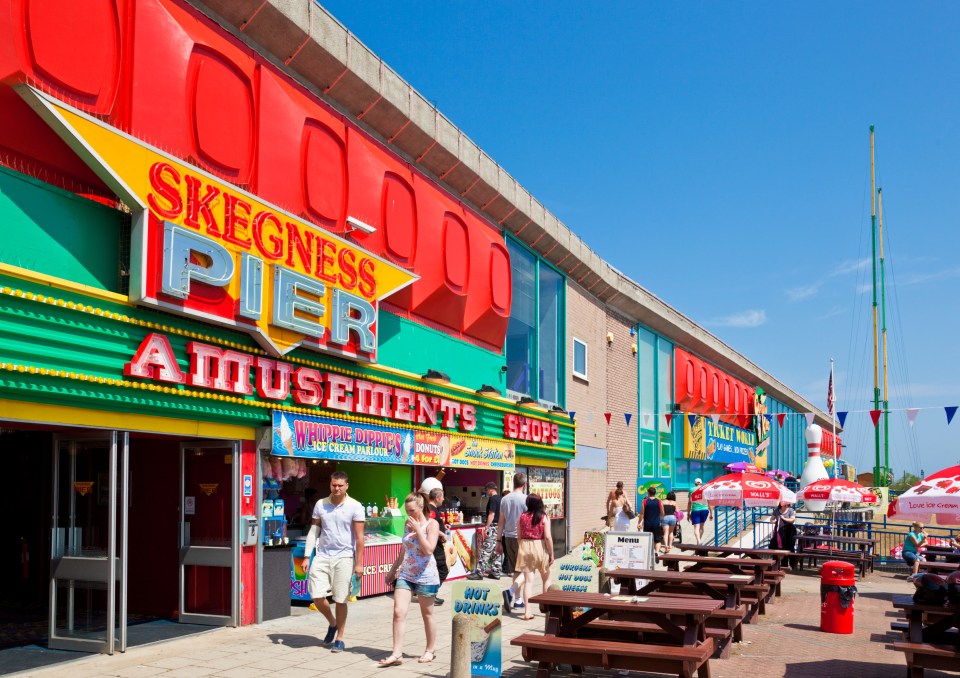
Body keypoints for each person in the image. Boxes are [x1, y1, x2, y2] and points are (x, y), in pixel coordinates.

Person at [301, 471, 364, 653]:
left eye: (340, 486)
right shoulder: (321, 504)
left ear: (346, 486)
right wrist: (307, 556)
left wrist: (359, 564)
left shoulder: (355, 506)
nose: (336, 488)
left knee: (341, 598)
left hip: (344, 556)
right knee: (316, 594)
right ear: (330, 484)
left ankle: (340, 638)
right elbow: (314, 531)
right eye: (333, 485)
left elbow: (360, 538)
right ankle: (332, 622)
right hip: (322, 555)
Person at [380, 492, 441, 666]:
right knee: (399, 612)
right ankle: (397, 653)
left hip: (426, 576)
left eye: (412, 510)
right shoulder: (408, 524)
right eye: (407, 511)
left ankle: (430, 649)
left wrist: (418, 531)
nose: (409, 514)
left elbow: (429, 549)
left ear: (421, 507)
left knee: (427, 614)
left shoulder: (432, 524)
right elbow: (403, 549)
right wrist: (393, 570)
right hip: (406, 574)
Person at [516, 494, 554, 621]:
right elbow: (548, 537)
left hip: (525, 547)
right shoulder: (544, 517)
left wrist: (522, 547)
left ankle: (527, 612)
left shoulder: (521, 517)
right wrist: (551, 553)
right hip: (540, 546)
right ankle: (545, 607)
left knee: (528, 582)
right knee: (546, 578)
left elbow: (519, 536)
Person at [497, 472, 528, 613]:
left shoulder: (505, 499)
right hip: (521, 538)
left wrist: (498, 541)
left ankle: (518, 599)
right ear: (524, 485)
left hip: (507, 537)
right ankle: (511, 592)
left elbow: (500, 523)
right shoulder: (525, 499)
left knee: (516, 569)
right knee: (527, 570)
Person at [467, 482, 502, 580]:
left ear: (490, 489)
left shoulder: (492, 499)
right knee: (497, 551)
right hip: (500, 527)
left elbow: (491, 514)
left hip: (493, 527)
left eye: (486, 490)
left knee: (486, 550)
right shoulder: (500, 499)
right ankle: (496, 572)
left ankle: (479, 573)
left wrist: (487, 527)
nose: (486, 492)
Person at [426, 487, 449, 606]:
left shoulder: (430, 508)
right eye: (442, 497)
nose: (444, 499)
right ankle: (431, 595)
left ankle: (429, 593)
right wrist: (441, 534)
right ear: (437, 498)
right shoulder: (432, 510)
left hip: (434, 543)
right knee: (443, 570)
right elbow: (429, 524)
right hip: (435, 545)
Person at [768, 501, 797, 568]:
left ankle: (792, 565)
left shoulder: (790, 510)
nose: (788, 505)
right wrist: (775, 521)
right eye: (786, 503)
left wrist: (784, 519)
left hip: (789, 531)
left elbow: (792, 520)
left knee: (790, 547)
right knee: (779, 547)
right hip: (779, 531)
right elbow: (771, 519)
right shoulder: (776, 511)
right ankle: (783, 564)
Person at [638, 486, 665, 552]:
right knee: (658, 540)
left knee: (647, 539)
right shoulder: (659, 501)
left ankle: (649, 553)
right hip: (656, 523)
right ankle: (657, 552)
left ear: (648, 493)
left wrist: (639, 522)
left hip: (647, 524)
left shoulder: (644, 501)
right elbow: (662, 512)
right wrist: (660, 519)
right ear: (655, 493)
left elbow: (642, 513)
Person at [687, 478, 712, 544]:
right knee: (701, 526)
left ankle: (698, 541)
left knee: (696, 527)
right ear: (701, 483)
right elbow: (709, 502)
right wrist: (711, 513)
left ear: (695, 483)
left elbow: (689, 502)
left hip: (695, 510)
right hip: (705, 510)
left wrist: (688, 513)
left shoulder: (691, 490)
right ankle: (699, 542)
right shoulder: (705, 489)